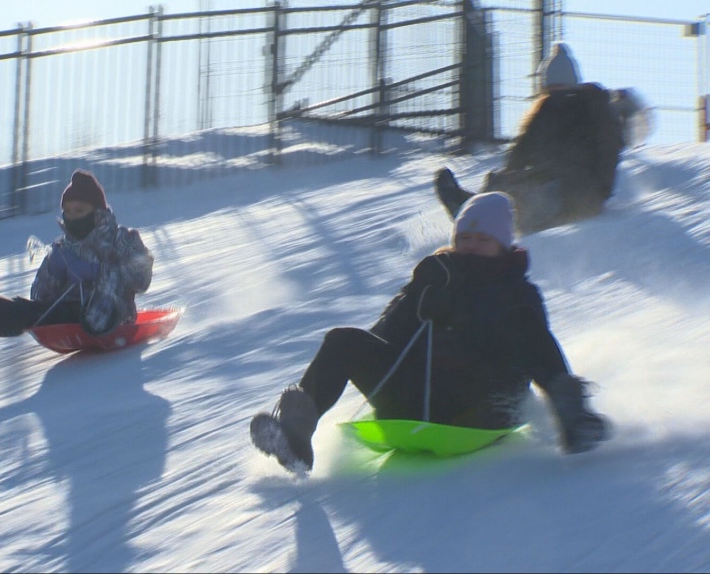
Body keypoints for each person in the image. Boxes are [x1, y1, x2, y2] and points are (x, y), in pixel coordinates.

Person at [250, 192, 610, 473]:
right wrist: (420, 307)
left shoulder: (517, 291)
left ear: (502, 245)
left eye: (483, 238)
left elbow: (534, 348)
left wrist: (463, 316)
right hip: (412, 399)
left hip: (480, 406)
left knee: (521, 323)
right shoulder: (433, 278)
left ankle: (573, 414)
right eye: (465, 236)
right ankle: (295, 436)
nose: (471, 245)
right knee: (343, 340)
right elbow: (384, 337)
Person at [436, 42, 627, 234]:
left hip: (578, 191)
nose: (557, 94)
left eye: (561, 88)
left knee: (534, 196)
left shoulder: (594, 110)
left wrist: (599, 191)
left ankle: (482, 221)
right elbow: (523, 148)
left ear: (572, 85)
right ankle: (471, 208)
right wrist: (508, 175)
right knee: (503, 183)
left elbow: (609, 151)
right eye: (552, 89)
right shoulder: (545, 110)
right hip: (549, 179)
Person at [0, 169, 154, 338]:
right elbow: (40, 296)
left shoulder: (124, 239)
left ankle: (97, 320)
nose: (73, 218)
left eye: (80, 211)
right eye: (69, 212)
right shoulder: (63, 248)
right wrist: (54, 271)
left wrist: (100, 271)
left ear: (97, 212)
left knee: (101, 306)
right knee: (31, 312)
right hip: (69, 316)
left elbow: (141, 279)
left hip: (117, 315)